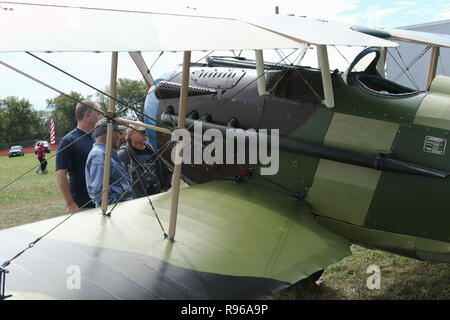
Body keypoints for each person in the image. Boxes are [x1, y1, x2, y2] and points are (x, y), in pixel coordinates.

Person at [56, 100, 102, 213]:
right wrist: (71, 204)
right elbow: (61, 174)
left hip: (100, 200)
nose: (100, 117)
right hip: (83, 203)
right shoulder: (68, 140)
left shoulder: (94, 138)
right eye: (98, 113)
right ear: (88, 115)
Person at [85, 119, 135, 208]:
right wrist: (117, 208)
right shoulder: (99, 155)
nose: (120, 137)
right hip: (117, 212)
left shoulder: (109, 153)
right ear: (110, 134)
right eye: (118, 133)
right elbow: (100, 193)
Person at [118, 121, 172, 198]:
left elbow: (167, 172)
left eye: (145, 131)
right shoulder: (123, 155)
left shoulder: (152, 151)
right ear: (130, 135)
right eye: (141, 131)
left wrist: (164, 189)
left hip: (158, 198)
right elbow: (120, 183)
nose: (145, 134)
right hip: (137, 204)